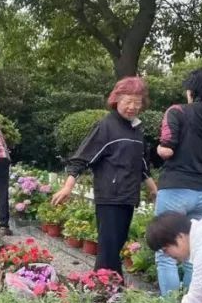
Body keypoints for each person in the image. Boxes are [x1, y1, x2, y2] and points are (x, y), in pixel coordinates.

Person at [51, 77, 158, 274]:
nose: (132, 107)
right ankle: (104, 289)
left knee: (116, 247)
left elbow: (142, 165)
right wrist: (68, 186)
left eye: (137, 102)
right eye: (128, 101)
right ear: (116, 99)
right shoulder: (106, 126)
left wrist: (154, 190)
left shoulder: (136, 130)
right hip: (110, 196)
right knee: (108, 250)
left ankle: (109, 289)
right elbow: (82, 158)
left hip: (128, 197)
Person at [154, 67, 202, 295]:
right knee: (194, 253)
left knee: (165, 252)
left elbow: (167, 150)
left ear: (191, 91)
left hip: (175, 189)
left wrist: (158, 148)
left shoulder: (177, 111)